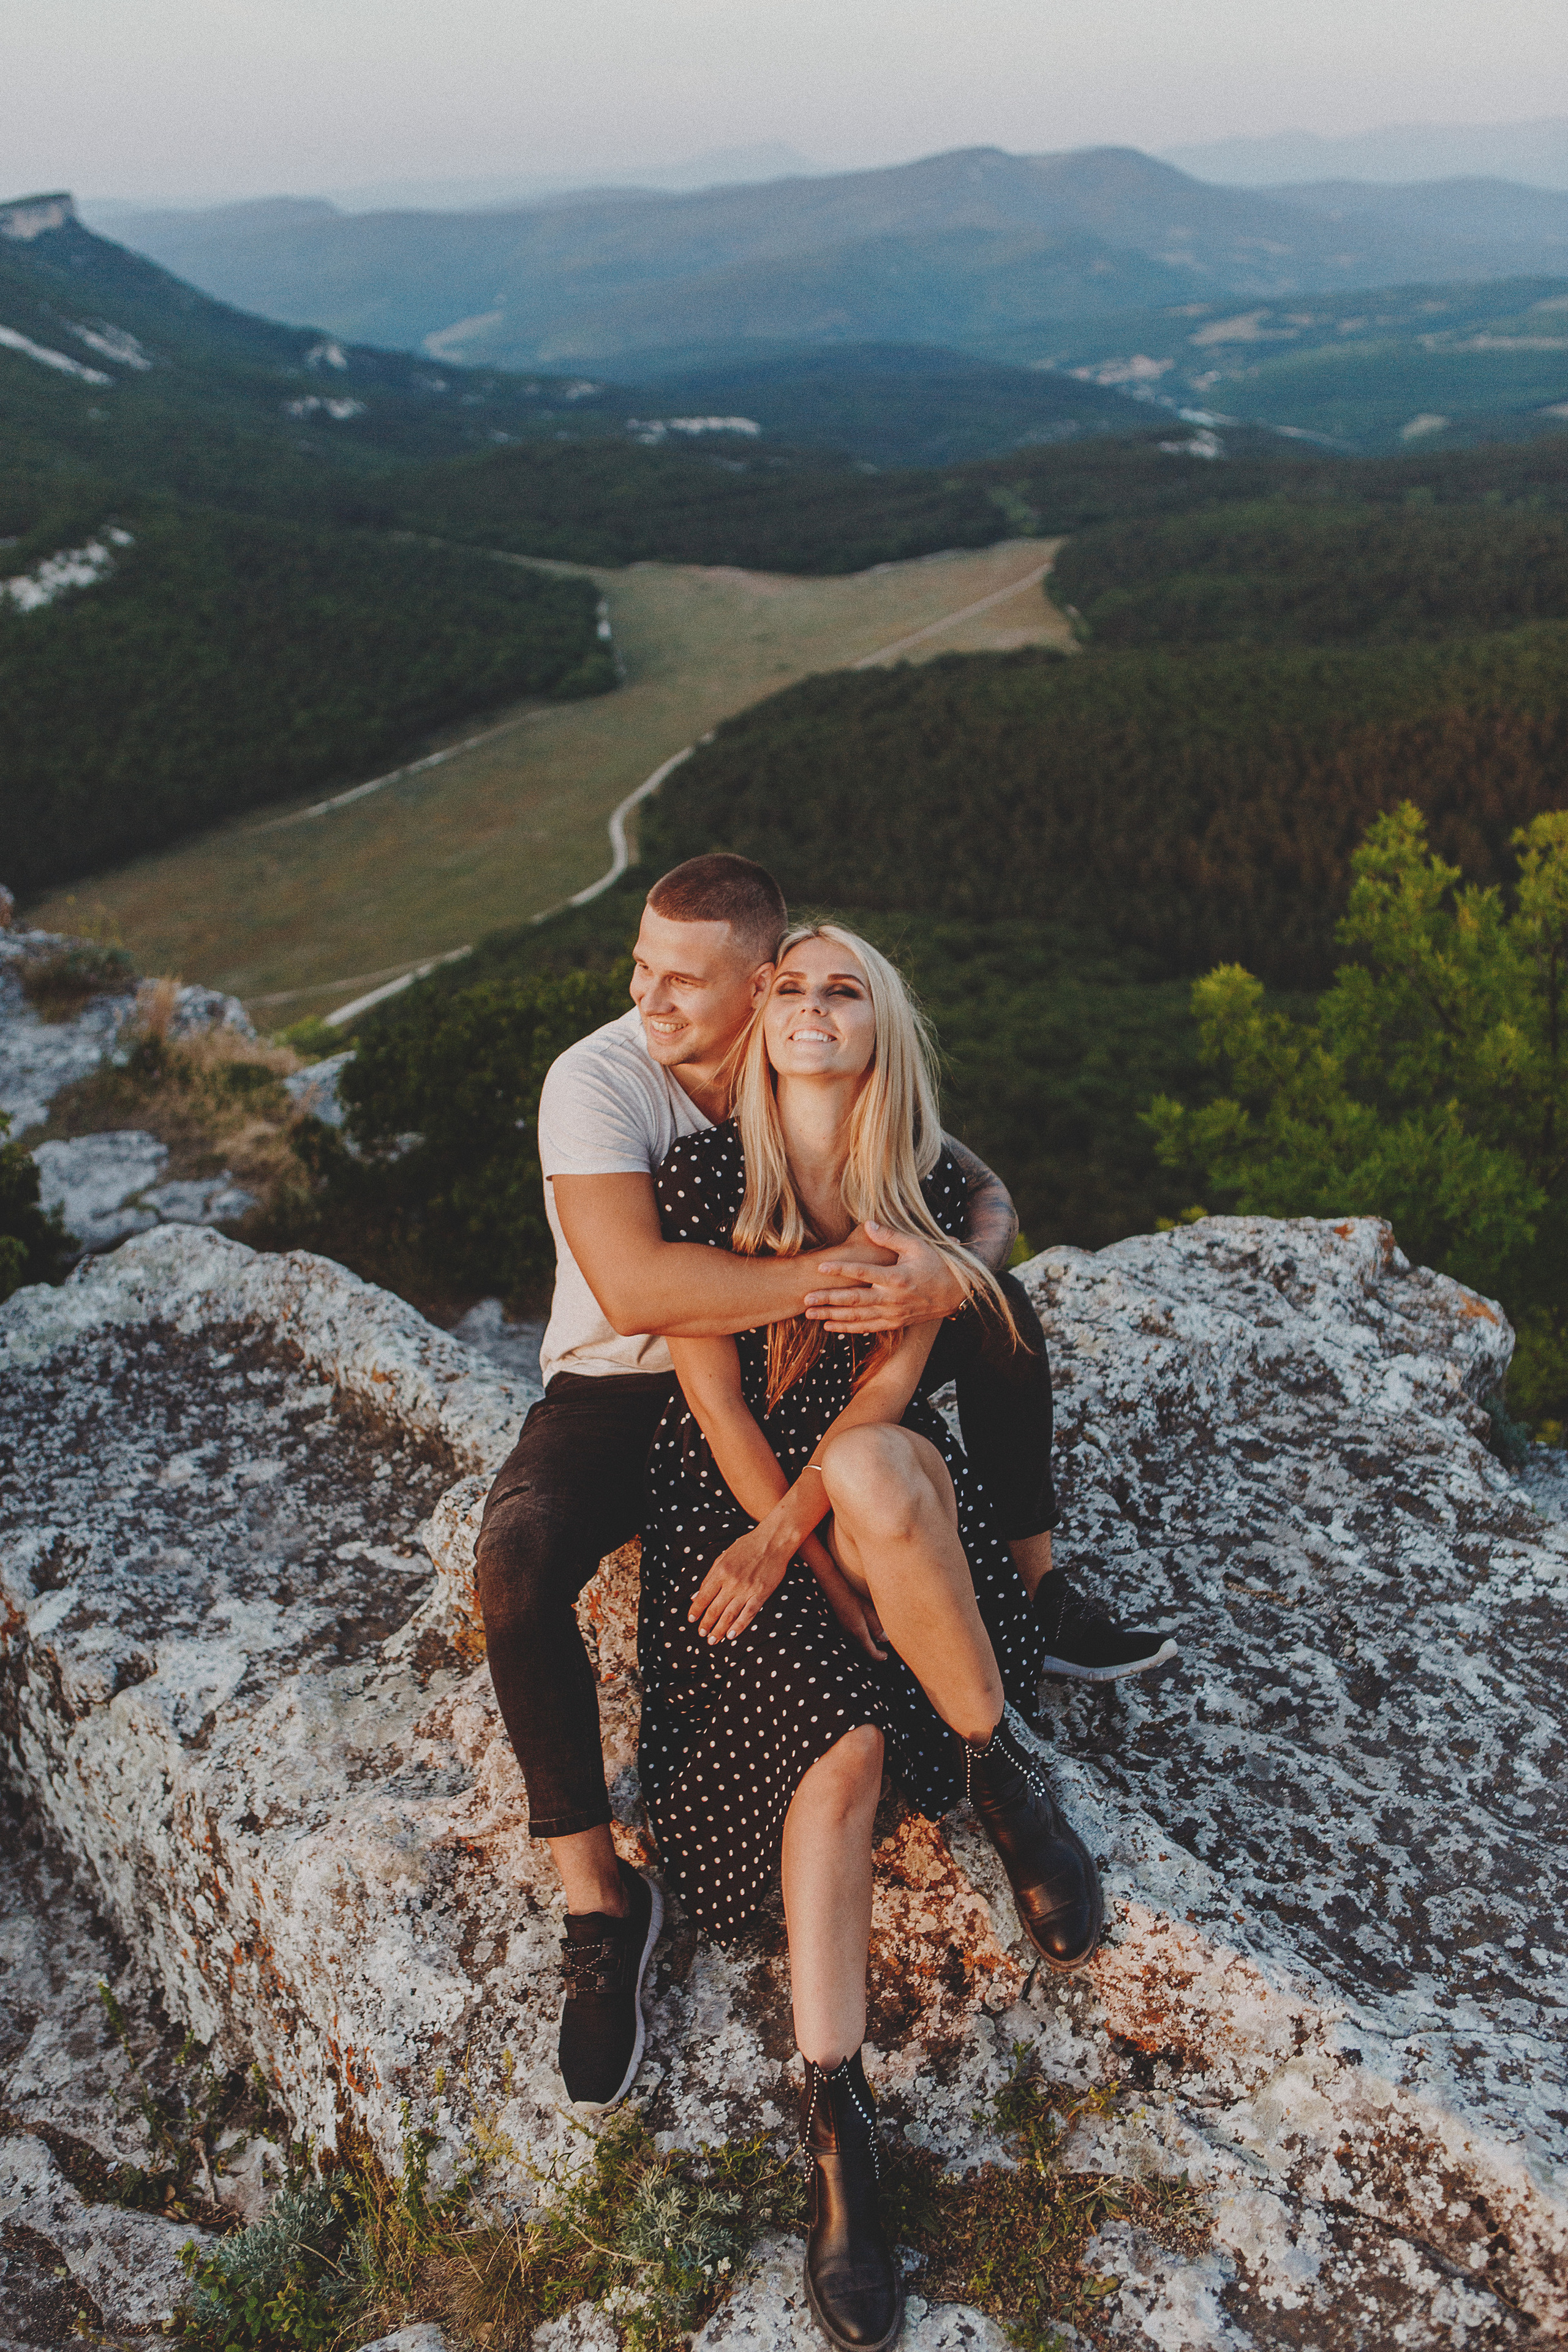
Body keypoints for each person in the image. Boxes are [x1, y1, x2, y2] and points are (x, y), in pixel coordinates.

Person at [473, 855, 1176, 2109]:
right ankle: (597, 1898)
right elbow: (639, 1291)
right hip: (627, 1379)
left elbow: (978, 1192)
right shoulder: (602, 1080)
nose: (648, 1000)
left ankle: (1039, 1592)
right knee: (518, 1560)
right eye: (639, 969)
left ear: (763, 982)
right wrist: (856, 1274)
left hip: (809, 1367)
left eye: (683, 981)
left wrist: (939, 1273)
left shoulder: (810, 1048)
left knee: (999, 1308)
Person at [640, 922, 1105, 2352]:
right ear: (761, 1016)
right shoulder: (706, 1171)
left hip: (864, 1483)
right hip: (727, 1490)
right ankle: (837, 2122)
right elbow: (713, 1397)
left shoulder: (925, 1182)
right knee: (832, 1765)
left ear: (881, 1028)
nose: (812, 1009)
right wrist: (768, 1547)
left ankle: (998, 1769)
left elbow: (897, 1387)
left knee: (868, 1468)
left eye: (845, 991)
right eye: (790, 987)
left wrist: (814, 1540)